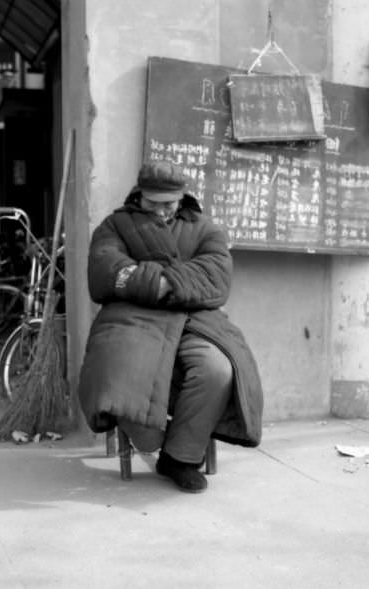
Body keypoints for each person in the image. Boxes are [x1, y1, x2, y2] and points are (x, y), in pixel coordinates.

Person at [77, 159, 264, 493]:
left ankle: (180, 458)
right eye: (153, 204)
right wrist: (177, 283)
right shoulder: (114, 226)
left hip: (196, 320)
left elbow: (216, 280)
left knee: (218, 369)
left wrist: (148, 280)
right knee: (121, 368)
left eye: (169, 204)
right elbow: (105, 272)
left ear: (182, 197)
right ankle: (152, 440)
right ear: (139, 195)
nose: (162, 212)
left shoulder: (206, 229)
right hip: (131, 319)